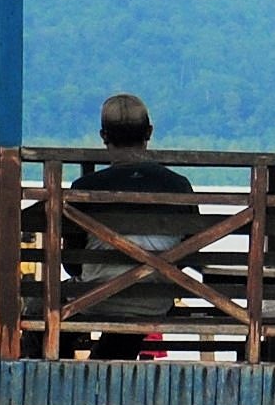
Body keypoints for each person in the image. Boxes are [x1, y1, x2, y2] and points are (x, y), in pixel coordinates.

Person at [67, 92, 199, 357]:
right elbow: (190, 251)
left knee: (41, 303)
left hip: (95, 299)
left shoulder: (84, 187)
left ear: (104, 136)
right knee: (133, 309)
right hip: (154, 300)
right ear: (149, 132)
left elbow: (71, 262)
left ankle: (53, 369)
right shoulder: (178, 185)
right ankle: (102, 368)